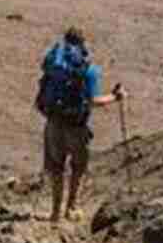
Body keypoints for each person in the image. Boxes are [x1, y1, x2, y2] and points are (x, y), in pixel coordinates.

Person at [34, 27, 125, 223]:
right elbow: (94, 101)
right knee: (78, 167)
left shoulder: (53, 64)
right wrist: (115, 96)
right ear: (83, 44)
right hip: (76, 127)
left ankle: (55, 213)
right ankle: (71, 207)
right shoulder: (89, 70)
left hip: (53, 124)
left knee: (56, 169)